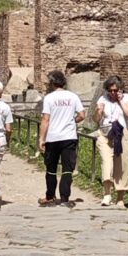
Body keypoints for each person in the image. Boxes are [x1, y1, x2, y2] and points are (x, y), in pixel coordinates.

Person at [37, 70, 84, 205]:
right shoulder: (73, 96)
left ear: (52, 82)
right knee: (67, 169)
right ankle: (64, 198)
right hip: (69, 137)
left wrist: (41, 139)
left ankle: (50, 195)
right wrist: (71, 121)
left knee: (51, 169)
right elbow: (82, 115)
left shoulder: (49, 98)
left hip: (53, 137)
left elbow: (45, 119)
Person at [93, 81, 128, 206]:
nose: (113, 93)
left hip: (121, 134)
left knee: (122, 165)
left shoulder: (126, 98)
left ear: (120, 89)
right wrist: (98, 111)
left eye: (115, 90)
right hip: (104, 134)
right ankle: (107, 194)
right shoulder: (102, 98)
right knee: (107, 163)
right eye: (110, 90)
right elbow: (95, 119)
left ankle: (120, 197)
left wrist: (120, 100)